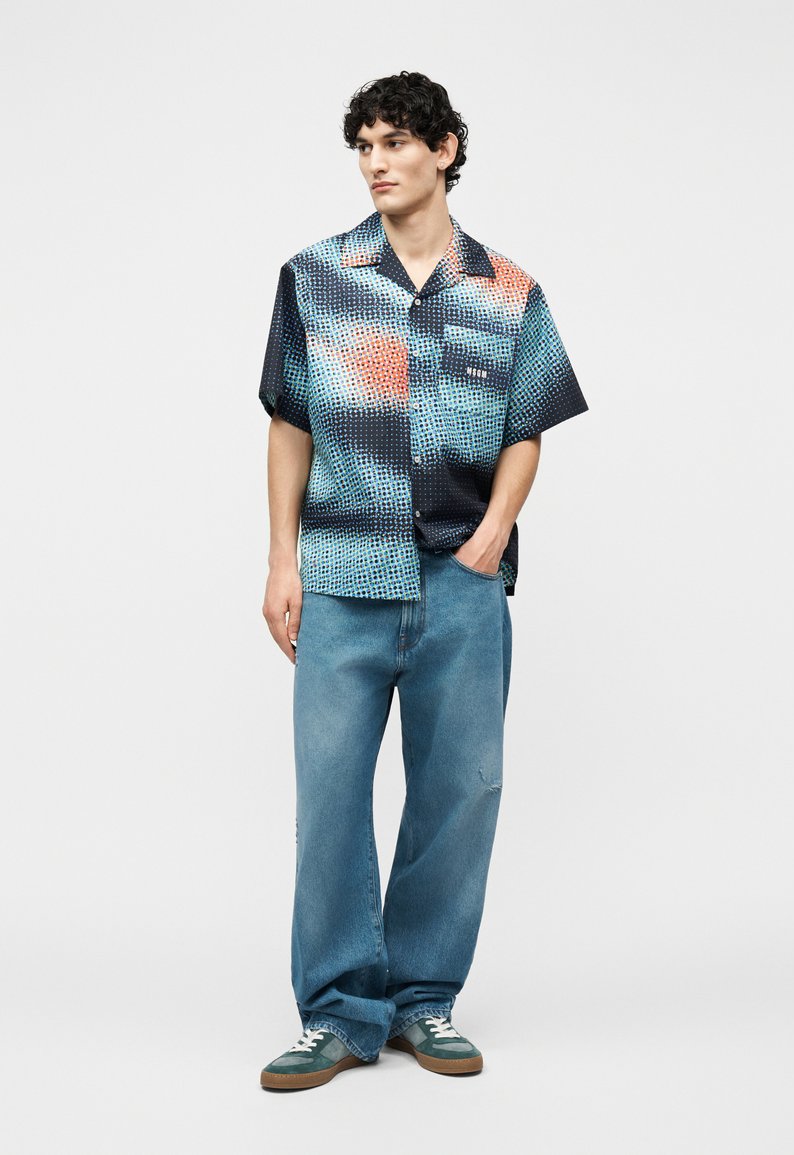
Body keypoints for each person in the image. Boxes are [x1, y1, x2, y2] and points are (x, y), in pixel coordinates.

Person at [257, 70, 588, 1091]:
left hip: (461, 585)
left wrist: (493, 532)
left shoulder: (509, 291)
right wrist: (280, 558)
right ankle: (336, 1011)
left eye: (395, 142)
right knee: (329, 797)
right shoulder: (314, 278)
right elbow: (289, 423)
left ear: (444, 150)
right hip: (341, 575)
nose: (376, 163)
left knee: (461, 792)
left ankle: (422, 999)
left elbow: (527, 424)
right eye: (363, 146)